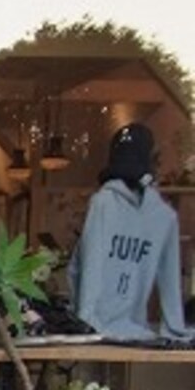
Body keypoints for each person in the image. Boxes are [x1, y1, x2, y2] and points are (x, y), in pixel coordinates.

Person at [69, 122, 190, 341]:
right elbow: (170, 281)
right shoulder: (165, 216)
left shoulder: (102, 203)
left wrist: (85, 319)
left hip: (94, 329)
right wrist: (174, 329)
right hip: (135, 330)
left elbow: (88, 264)